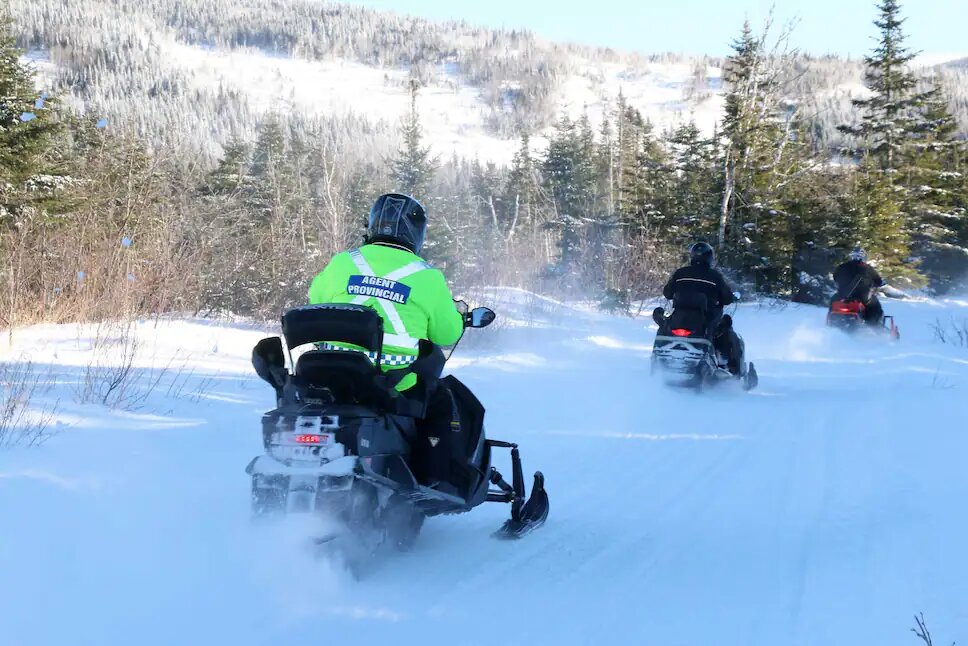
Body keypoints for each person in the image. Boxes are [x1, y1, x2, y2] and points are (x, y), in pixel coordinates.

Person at [307, 193, 467, 491]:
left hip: (329, 374)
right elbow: (446, 334)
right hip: (390, 381)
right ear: (416, 233)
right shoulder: (426, 277)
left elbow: (315, 300)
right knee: (442, 402)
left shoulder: (343, 262)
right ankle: (428, 478)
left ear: (372, 224)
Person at [660, 241, 744, 375]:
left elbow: (667, 293)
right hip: (705, 319)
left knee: (665, 324)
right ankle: (728, 366)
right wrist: (731, 297)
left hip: (679, 318)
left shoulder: (680, 273)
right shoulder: (714, 276)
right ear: (710, 257)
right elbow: (726, 298)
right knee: (726, 328)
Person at [832, 248, 884, 325]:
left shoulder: (843, 266)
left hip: (842, 296)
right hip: (862, 297)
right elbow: (878, 281)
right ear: (863, 257)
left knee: (833, 300)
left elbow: (835, 277)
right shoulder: (867, 268)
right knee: (875, 305)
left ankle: (830, 321)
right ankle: (874, 326)